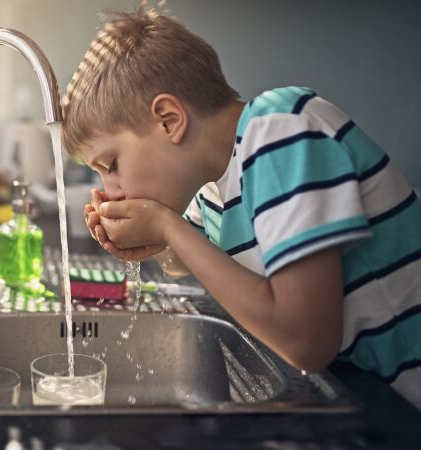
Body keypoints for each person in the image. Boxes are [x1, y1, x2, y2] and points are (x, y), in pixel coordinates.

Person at [63, 5, 421, 408]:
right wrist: (150, 242)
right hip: (384, 392)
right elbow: (185, 260)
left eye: (111, 166)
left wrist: (165, 226)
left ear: (168, 120)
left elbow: (305, 343)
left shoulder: (279, 128)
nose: (109, 191)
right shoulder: (213, 187)